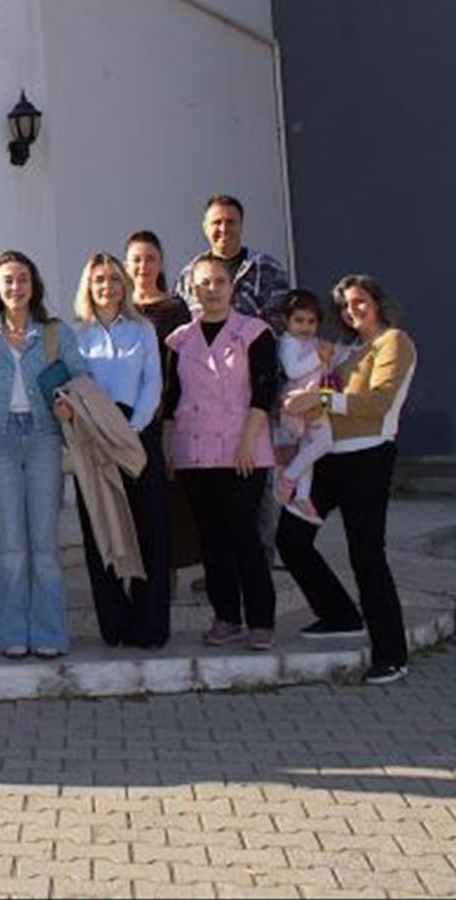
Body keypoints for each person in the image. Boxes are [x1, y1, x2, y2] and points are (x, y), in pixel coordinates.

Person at [277, 275, 417, 685]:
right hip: (328, 458)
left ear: (377, 302)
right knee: (291, 537)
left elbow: (378, 402)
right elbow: (326, 392)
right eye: (344, 305)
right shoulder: (345, 349)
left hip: (368, 458)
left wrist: (319, 397)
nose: (351, 310)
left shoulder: (394, 342)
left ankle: (391, 654)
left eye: (359, 301)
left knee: (367, 556)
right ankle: (339, 614)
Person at [0, 251, 87, 659]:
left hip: (43, 438)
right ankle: (13, 633)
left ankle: (50, 633)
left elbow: (82, 378)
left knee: (44, 543)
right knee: (12, 544)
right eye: (8, 280)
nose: (15, 287)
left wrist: (69, 404)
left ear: (34, 286)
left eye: (22, 279)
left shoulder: (55, 333)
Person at [165, 253, 279, 651]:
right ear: (192, 289)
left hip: (242, 449)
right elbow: (172, 399)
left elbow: (264, 391)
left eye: (219, 282)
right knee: (211, 539)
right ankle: (226, 616)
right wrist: (168, 449)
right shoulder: (179, 340)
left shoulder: (255, 332)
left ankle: (261, 619)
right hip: (195, 451)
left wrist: (247, 441)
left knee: (244, 534)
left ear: (232, 288)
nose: (211, 290)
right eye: (203, 283)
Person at [70, 252, 171, 649]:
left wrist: (131, 430)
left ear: (124, 285)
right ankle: (115, 625)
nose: (107, 287)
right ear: (88, 286)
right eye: (99, 280)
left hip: (136, 432)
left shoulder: (142, 329)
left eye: (114, 279)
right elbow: (72, 386)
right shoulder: (77, 335)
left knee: (150, 531)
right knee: (102, 532)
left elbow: (153, 383)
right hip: (93, 437)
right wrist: (97, 431)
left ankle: (150, 626)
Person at [126, 229, 201, 579]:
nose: (143, 266)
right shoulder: (119, 307)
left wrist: (169, 415)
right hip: (124, 419)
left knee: (164, 498)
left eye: (150, 259)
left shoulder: (174, 308)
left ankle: (164, 575)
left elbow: (182, 366)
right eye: (136, 259)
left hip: (162, 416)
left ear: (161, 264)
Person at [175, 195, 291, 329]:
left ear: (241, 225)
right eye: (217, 222)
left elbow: (279, 322)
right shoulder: (189, 275)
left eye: (230, 222)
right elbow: (179, 323)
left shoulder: (267, 269)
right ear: (205, 227)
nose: (224, 229)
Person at [272, 289, 335, 525]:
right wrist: (319, 357)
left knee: (308, 449)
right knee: (323, 442)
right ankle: (288, 479)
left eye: (311, 321)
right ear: (286, 321)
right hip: (297, 402)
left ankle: (301, 495)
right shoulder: (288, 343)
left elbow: (325, 371)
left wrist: (326, 366)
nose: (305, 327)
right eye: (299, 320)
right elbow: (293, 370)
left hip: (314, 401)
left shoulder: (313, 343)